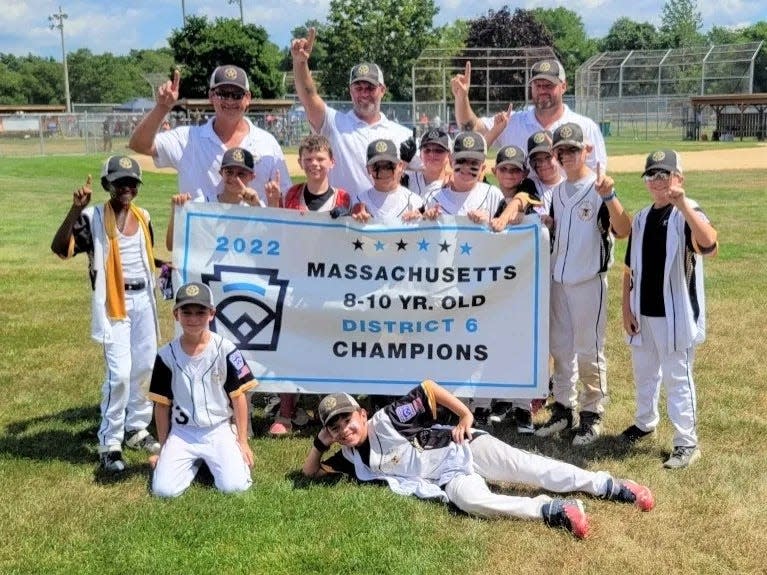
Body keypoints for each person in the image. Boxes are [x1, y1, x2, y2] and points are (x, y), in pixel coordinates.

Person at [303, 379, 654, 539]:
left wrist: (465, 417)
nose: (343, 429)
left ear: (361, 414)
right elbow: (310, 474)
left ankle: (610, 484)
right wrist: (321, 442)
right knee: (472, 501)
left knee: (533, 468)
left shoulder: (389, 418)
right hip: (446, 479)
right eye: (334, 427)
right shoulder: (352, 458)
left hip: (463, 446)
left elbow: (429, 389)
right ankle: (554, 509)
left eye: (346, 419)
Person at [51, 156, 162, 473]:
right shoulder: (93, 217)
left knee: (145, 366)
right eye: (119, 182)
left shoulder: (143, 217)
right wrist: (75, 209)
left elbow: (147, 258)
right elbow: (60, 248)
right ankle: (110, 441)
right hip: (115, 303)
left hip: (144, 300)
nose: (126, 187)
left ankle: (136, 427)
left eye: (131, 182)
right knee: (120, 375)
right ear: (106, 185)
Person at [535, 123, 632, 446]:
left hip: (589, 280)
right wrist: (550, 225)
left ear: (586, 151)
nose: (567, 156)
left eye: (573, 150)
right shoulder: (559, 192)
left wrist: (611, 197)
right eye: (561, 151)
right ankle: (564, 408)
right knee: (560, 348)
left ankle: (592, 413)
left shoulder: (599, 187)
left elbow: (622, 229)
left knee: (588, 350)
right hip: (559, 280)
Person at [621, 150, 718, 469]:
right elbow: (629, 267)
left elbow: (709, 244)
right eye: (652, 175)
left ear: (679, 178)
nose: (658, 181)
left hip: (674, 314)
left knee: (678, 378)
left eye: (664, 174)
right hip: (643, 312)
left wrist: (683, 204)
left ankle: (686, 442)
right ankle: (644, 422)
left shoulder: (686, 213)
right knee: (645, 374)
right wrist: (626, 307)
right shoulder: (641, 217)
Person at [268, 134, 352, 437]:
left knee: (329, 343)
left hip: (330, 282)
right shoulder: (291, 194)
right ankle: (287, 410)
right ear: (301, 161)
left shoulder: (344, 198)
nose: (315, 164)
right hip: (296, 280)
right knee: (291, 342)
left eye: (320, 158)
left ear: (331, 162)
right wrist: (271, 202)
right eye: (309, 159)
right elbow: (276, 233)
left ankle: (332, 406)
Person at [147, 282, 257, 497]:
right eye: (186, 312)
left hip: (218, 428)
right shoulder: (165, 356)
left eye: (200, 312)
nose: (193, 319)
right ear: (175, 314)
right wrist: (163, 446)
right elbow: (161, 406)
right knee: (163, 491)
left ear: (212, 314)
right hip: (183, 432)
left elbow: (239, 398)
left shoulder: (225, 349)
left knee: (235, 488)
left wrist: (243, 442)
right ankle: (196, 464)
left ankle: (220, 457)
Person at [128, 65, 291, 203]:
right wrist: (162, 107)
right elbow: (139, 145)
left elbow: (285, 195)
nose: (229, 101)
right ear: (211, 96)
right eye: (222, 93)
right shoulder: (187, 139)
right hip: (201, 237)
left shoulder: (267, 142)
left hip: (251, 238)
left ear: (247, 98)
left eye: (237, 95)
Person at [291, 28, 415, 194]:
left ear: (382, 90)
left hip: (387, 218)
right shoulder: (333, 123)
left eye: (370, 87)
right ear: (350, 91)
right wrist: (300, 63)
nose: (364, 93)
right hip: (343, 216)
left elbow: (433, 174)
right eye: (358, 87)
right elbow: (309, 96)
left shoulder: (403, 135)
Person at [451, 59, 607, 171]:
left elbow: (597, 174)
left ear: (564, 86)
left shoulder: (585, 126)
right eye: (537, 85)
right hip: (520, 212)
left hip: (566, 211)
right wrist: (461, 98)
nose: (542, 90)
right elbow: (471, 132)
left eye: (549, 85)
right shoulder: (511, 122)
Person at [165, 147, 264, 251]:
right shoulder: (201, 205)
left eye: (241, 174)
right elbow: (171, 246)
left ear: (252, 176)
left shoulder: (257, 208)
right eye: (229, 172)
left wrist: (257, 207)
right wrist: (176, 213)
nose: (235, 178)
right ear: (221, 173)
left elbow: (274, 242)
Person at [424, 131, 504, 226]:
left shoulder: (493, 195)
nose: (466, 167)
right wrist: (424, 219)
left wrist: (489, 223)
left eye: (474, 162)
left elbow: (508, 234)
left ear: (482, 167)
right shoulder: (432, 197)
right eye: (461, 161)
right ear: (451, 163)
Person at [351, 139, 424, 224]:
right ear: (368, 169)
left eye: (389, 165)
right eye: (376, 166)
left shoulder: (414, 202)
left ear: (400, 165)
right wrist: (355, 221)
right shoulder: (359, 201)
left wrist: (421, 220)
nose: (383, 171)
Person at [405, 128, 451, 202]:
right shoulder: (407, 178)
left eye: (439, 150)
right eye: (427, 150)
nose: (432, 154)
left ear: (449, 155)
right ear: (420, 154)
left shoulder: (453, 185)